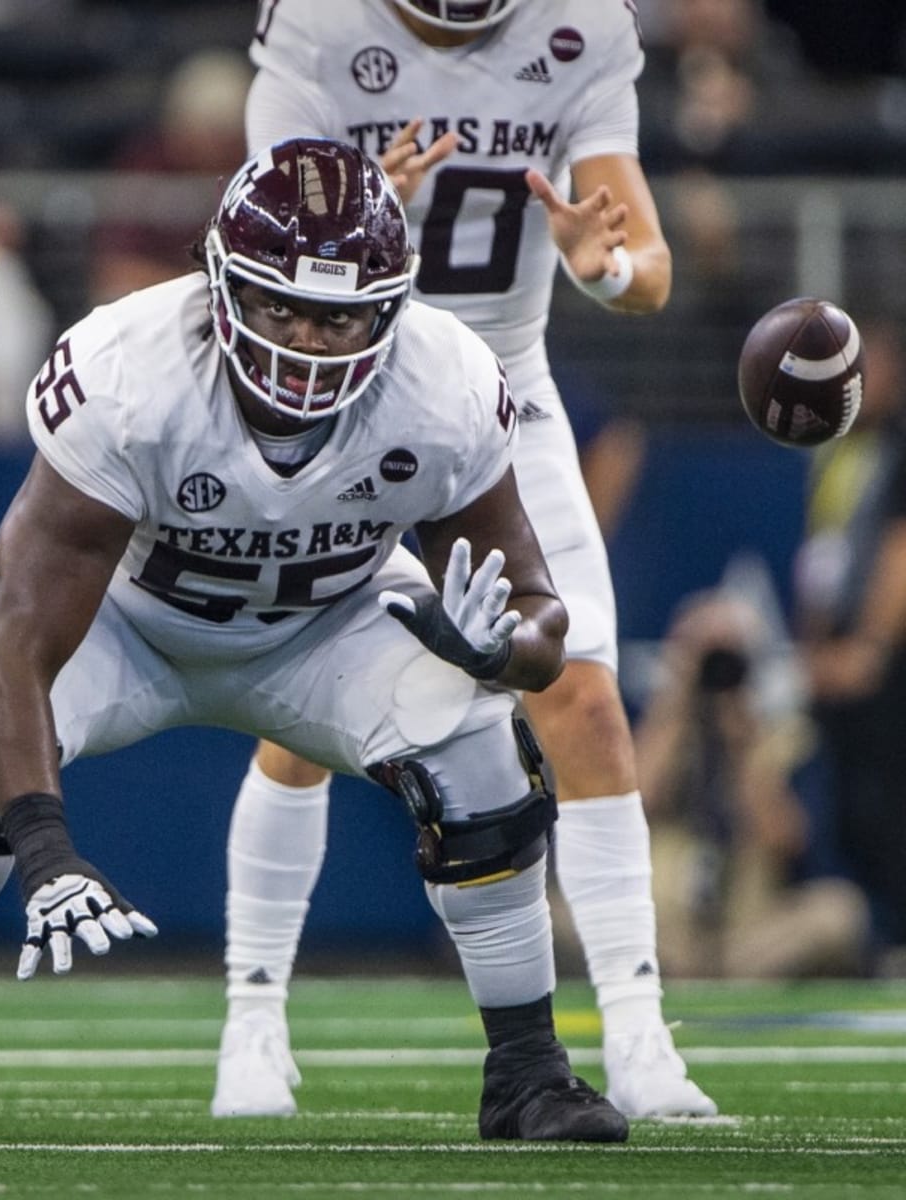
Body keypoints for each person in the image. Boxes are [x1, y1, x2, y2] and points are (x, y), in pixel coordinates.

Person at [0, 136, 631, 1145]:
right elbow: (18, 647)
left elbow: (538, 610)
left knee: (481, 743)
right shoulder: (130, 369)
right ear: (219, 286)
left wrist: (503, 654)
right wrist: (44, 851)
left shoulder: (444, 382)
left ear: (391, 308)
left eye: (341, 315)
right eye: (280, 307)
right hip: (127, 622)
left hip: (329, 623)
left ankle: (529, 1069)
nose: (308, 341)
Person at [210, 0, 716, 1121]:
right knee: (297, 726)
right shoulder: (321, 26)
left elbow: (649, 267)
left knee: (580, 695)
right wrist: (353, 223)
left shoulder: (579, 28)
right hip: (347, 387)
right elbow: (247, 251)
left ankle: (637, 1038)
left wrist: (600, 267)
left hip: (501, 391)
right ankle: (253, 1022)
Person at [635, 590, 869, 978]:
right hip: (664, 925)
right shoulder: (661, 729)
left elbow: (787, 840)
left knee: (840, 911)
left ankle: (714, 974)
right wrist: (675, 704)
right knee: (562, 912)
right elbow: (633, 804)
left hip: (748, 927)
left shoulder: (785, 736)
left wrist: (744, 746)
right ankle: (683, 969)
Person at [795, 314, 906, 968]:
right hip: (834, 661)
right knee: (850, 812)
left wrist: (869, 647)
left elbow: (899, 546)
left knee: (887, 803)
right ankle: (881, 942)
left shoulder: (899, 447)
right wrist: (814, 647)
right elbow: (821, 554)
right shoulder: (835, 450)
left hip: (885, 668)